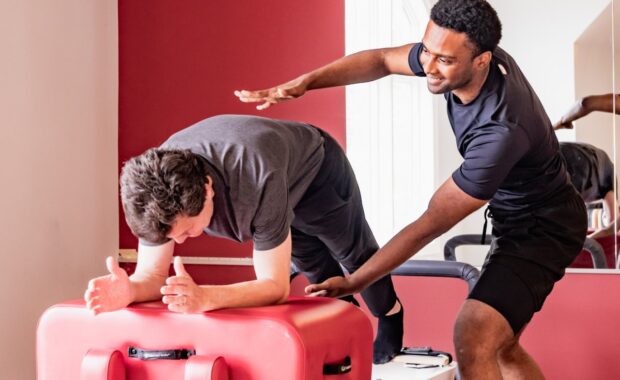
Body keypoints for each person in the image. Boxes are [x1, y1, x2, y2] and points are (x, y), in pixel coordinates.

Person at [234, 0, 587, 378]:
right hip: (517, 217)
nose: (429, 66)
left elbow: (431, 223)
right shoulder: (463, 51)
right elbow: (384, 60)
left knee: (474, 332)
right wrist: (307, 82)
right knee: (503, 345)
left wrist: (357, 279)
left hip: (545, 228)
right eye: (428, 51)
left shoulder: (499, 133)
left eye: (444, 60)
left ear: (482, 60)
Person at [84, 114, 403, 364]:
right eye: (173, 235)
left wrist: (206, 297)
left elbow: (274, 287)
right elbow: (152, 275)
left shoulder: (255, 178)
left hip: (317, 173)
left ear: (208, 189)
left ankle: (390, 314)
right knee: (317, 272)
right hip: (271, 177)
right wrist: (131, 290)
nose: (180, 242)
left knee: (354, 256)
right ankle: (346, 334)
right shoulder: (157, 191)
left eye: (187, 230)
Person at [559, 142, 617, 238]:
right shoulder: (609, 182)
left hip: (562, 151)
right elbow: (613, 225)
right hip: (582, 162)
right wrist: (588, 242)